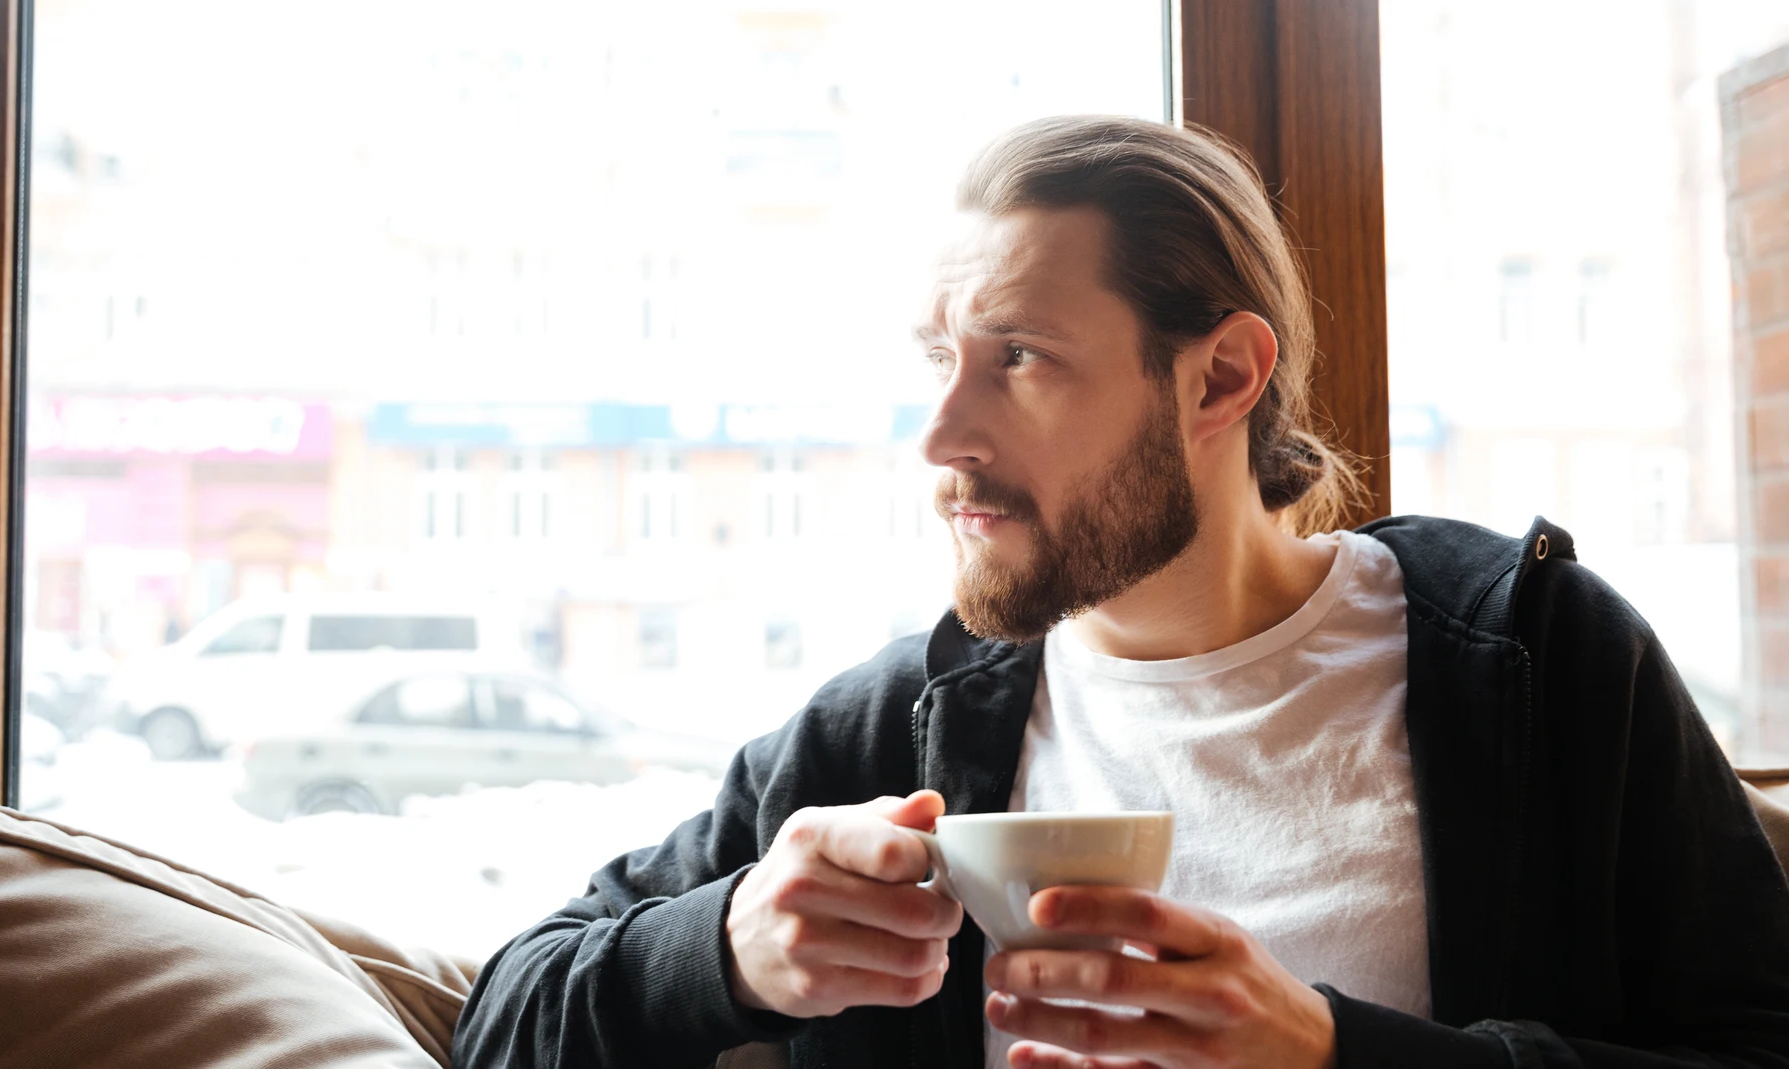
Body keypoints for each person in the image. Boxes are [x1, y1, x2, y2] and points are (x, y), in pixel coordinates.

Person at [452, 116, 1789, 1069]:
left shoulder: (1535, 663)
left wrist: (1334, 1055)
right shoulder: (891, 733)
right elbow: (503, 1019)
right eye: (939, 360)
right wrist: (730, 947)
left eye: (1020, 358)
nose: (941, 436)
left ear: (1220, 378)